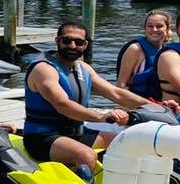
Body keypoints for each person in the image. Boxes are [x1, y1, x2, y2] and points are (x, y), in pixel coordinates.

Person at [21, 20, 161, 171]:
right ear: (57, 41)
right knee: (86, 155)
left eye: (78, 42)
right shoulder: (44, 69)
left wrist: (155, 107)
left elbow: (116, 93)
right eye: (67, 40)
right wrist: (101, 117)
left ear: (85, 45)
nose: (73, 46)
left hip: (75, 133)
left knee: (126, 144)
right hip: (43, 137)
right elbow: (62, 104)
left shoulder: (83, 68)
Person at [115, 11, 171, 101]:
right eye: (150, 26)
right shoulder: (135, 49)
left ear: (167, 29)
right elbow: (121, 85)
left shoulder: (167, 52)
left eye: (159, 26)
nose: (154, 29)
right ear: (145, 29)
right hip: (137, 106)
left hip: (160, 106)